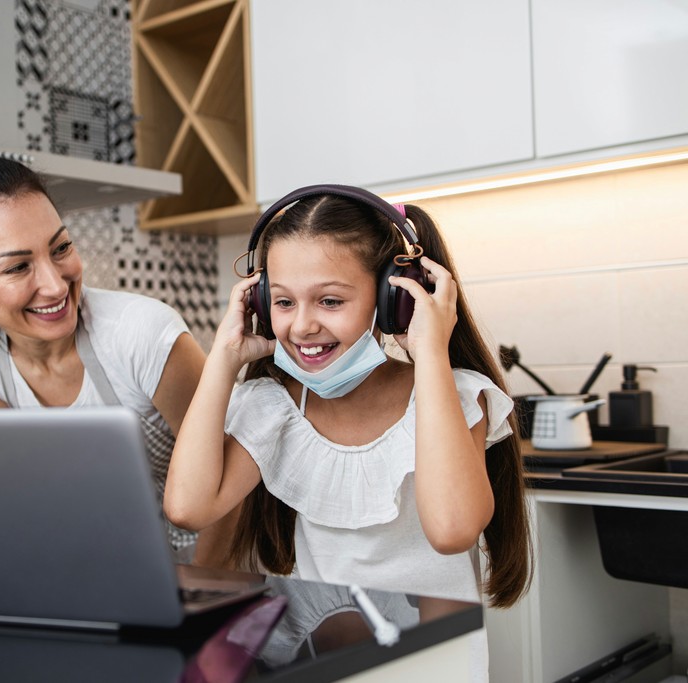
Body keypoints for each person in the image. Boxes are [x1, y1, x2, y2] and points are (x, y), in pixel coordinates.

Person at [163, 185, 531, 676]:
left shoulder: (454, 396)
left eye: (330, 300)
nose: (302, 326)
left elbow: (452, 530)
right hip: (331, 661)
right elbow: (188, 508)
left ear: (391, 298)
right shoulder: (274, 408)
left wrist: (431, 354)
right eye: (284, 302)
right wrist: (224, 357)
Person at [0, 155, 211, 552]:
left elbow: (238, 492)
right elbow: (22, 484)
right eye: (17, 267)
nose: (55, 285)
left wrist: (205, 592)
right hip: (98, 559)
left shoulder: (143, 335)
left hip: (210, 562)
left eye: (60, 247)